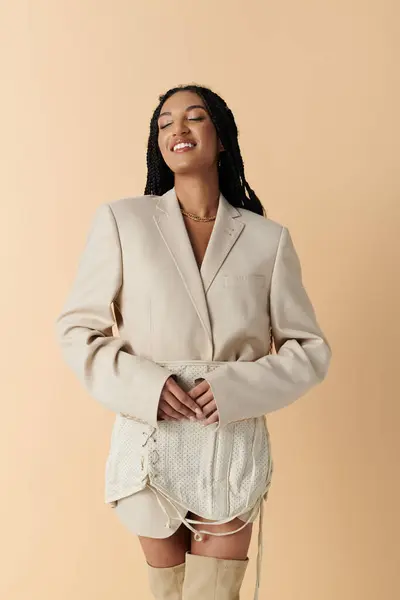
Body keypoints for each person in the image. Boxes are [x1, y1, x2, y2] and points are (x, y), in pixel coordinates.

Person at [55, 83, 332, 600]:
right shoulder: (123, 221)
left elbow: (310, 349)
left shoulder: (267, 239)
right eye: (164, 123)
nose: (177, 129)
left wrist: (237, 388)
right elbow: (77, 330)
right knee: (167, 593)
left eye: (194, 117)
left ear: (221, 137)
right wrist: (148, 386)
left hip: (230, 436)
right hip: (152, 435)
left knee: (214, 594)